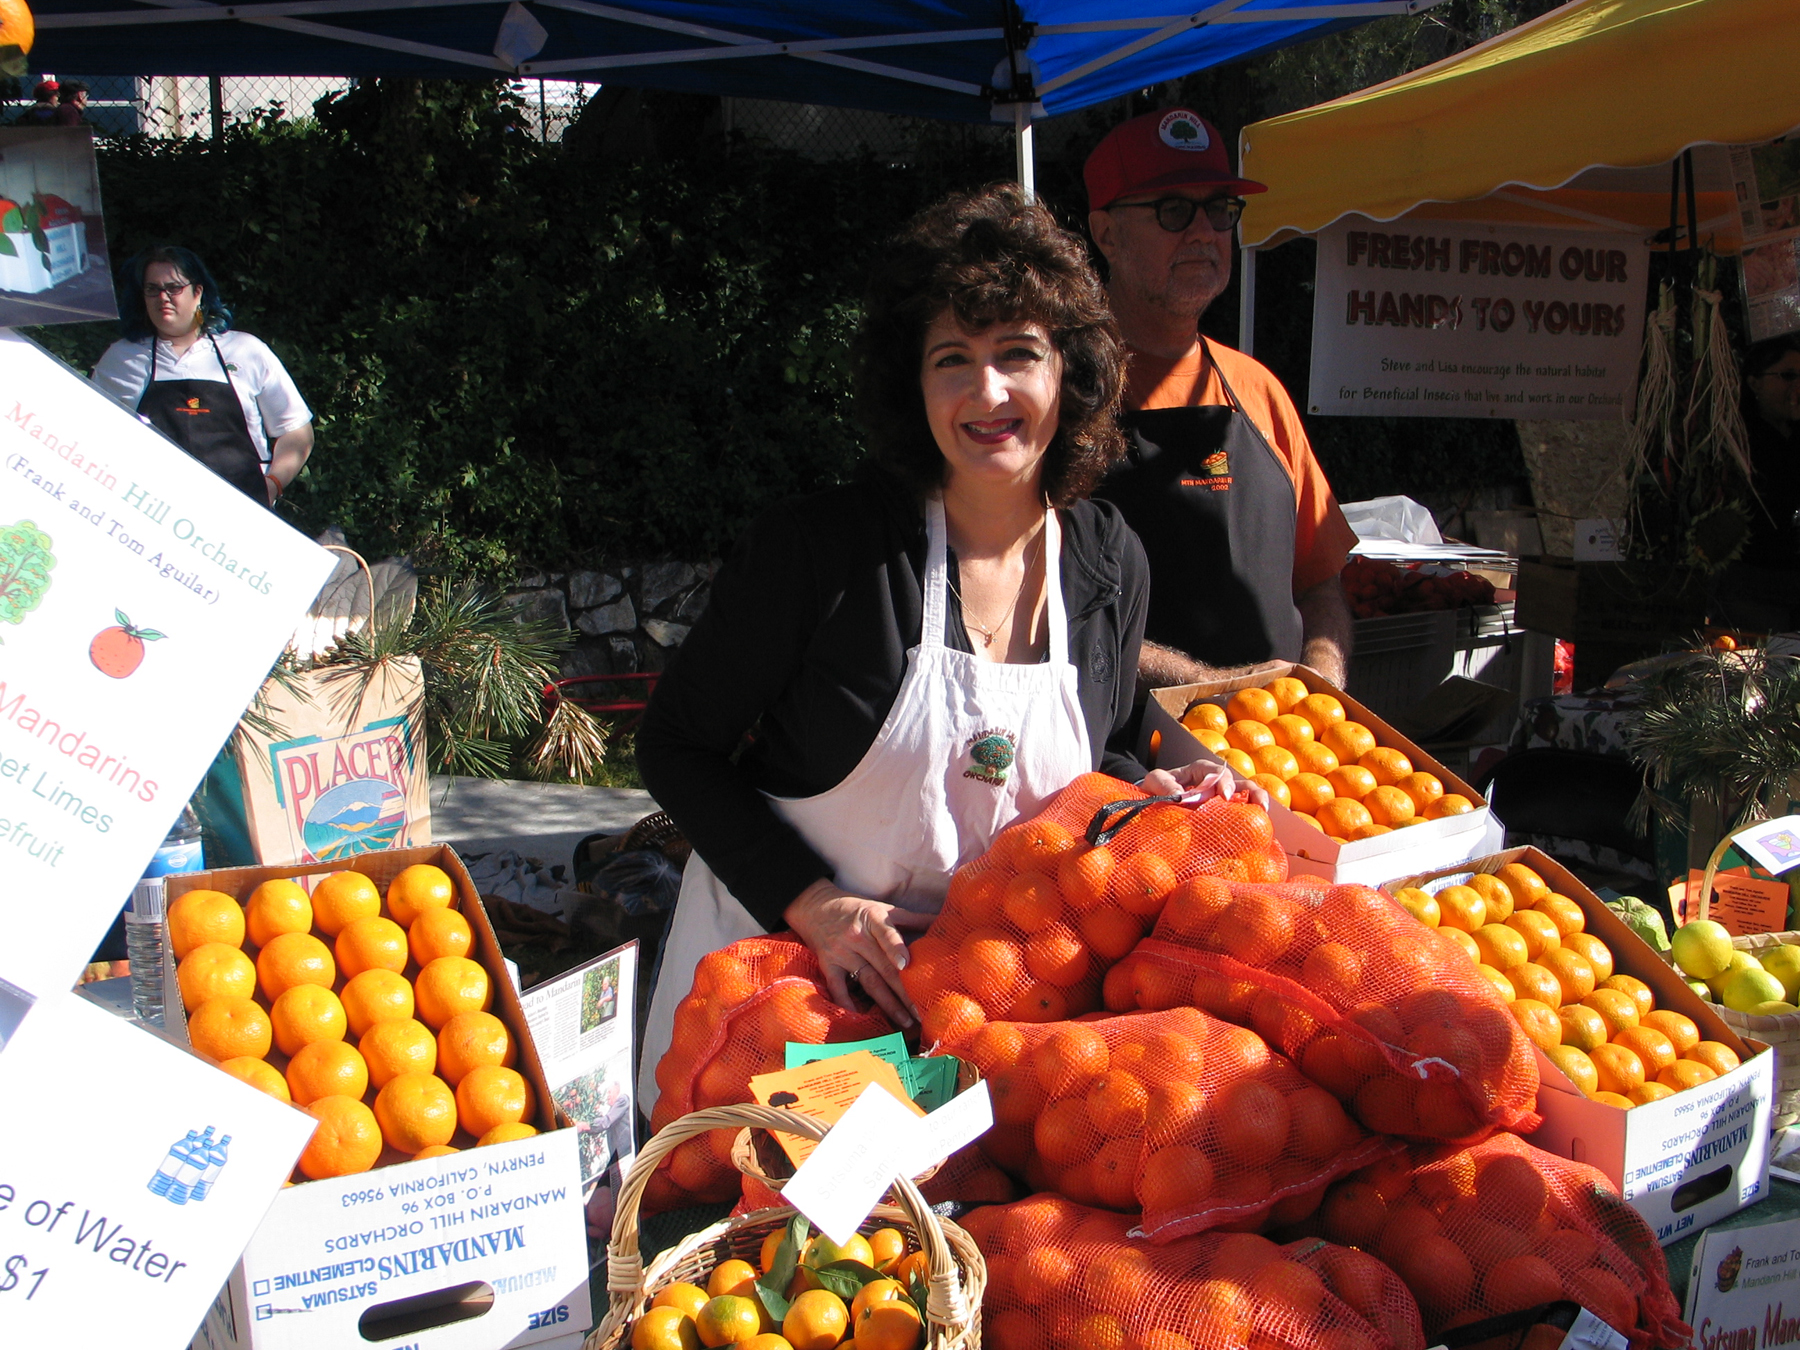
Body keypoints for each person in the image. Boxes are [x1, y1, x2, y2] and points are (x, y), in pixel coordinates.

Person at [635, 183, 1204, 1114]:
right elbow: (674, 743)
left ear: (1072, 373)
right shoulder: (823, 553)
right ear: (914, 386)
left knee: (937, 1258)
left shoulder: (1108, 563)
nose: (988, 393)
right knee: (774, 1255)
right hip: (777, 1017)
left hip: (978, 1030)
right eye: (953, 360)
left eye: (1018, 354)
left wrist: (1152, 798)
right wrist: (813, 903)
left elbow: (1085, 760)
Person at [1085, 107, 1357, 687]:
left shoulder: (1260, 391)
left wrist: (1322, 684)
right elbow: (1034, 609)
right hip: (1121, 761)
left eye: (1219, 210)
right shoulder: (1062, 398)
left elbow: (1320, 582)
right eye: (1174, 210)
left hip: (1271, 758)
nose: (1204, 231)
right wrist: (1212, 688)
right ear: (1106, 233)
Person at [92, 245, 313, 505]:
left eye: (174, 287)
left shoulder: (246, 351)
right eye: (153, 289)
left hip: (244, 510)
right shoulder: (120, 359)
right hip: (152, 514)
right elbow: (93, 433)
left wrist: (273, 484)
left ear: (198, 293)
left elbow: (297, 431)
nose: (163, 297)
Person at [1723, 333, 1800, 628]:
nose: (1797, 386)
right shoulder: (1738, 439)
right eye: (1787, 376)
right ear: (1755, 383)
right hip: (1751, 585)